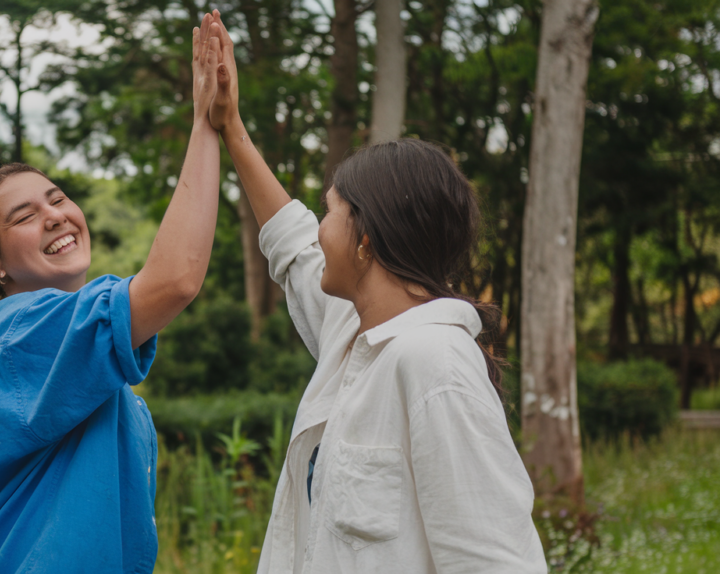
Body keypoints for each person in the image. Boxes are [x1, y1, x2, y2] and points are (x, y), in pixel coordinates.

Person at [205, 11, 547, 574]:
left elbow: (496, 561)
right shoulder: (355, 332)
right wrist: (230, 125)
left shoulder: (434, 363)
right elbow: (290, 244)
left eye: (330, 210)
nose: (319, 226)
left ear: (365, 240)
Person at [0, 14, 222, 573]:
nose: (56, 216)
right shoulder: (13, 333)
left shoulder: (97, 380)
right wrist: (205, 125)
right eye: (25, 216)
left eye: (57, 198)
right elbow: (177, 279)